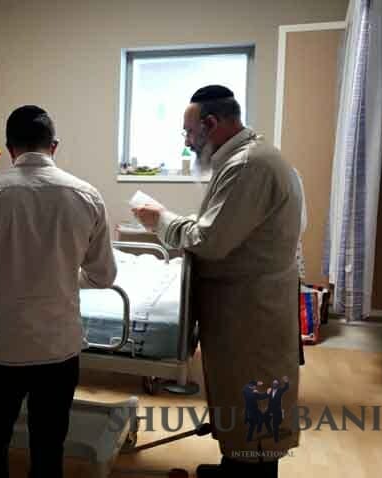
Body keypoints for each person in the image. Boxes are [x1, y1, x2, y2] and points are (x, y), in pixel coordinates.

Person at [132, 85, 302, 477]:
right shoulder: (249, 159)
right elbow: (224, 227)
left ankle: (247, 470)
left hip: (250, 311)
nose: (188, 142)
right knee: (240, 399)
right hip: (246, 305)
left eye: (190, 132)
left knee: (254, 399)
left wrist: (161, 220)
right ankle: (235, 465)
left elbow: (210, 240)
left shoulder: (248, 166)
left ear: (212, 123)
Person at [0, 105, 117, 478]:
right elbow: (104, 276)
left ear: (9, 149)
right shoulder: (87, 195)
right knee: (48, 446)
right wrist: (62, 276)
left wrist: (7, 275)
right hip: (58, 348)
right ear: (54, 146)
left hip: (4, 347)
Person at [264, 377, 291, 443]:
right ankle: (270, 432)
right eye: (274, 383)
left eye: (276, 383)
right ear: (272, 384)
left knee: (275, 425)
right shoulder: (270, 390)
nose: (275, 384)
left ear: (278, 384)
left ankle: (276, 439)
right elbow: (267, 398)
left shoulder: (280, 391)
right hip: (270, 409)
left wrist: (286, 382)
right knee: (266, 420)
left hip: (277, 410)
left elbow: (286, 388)